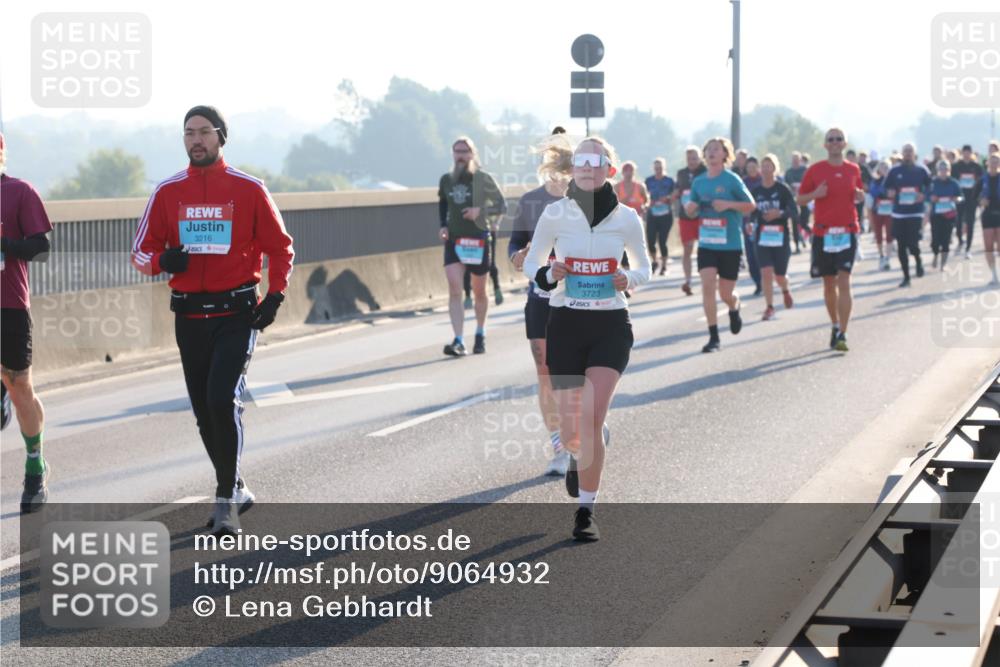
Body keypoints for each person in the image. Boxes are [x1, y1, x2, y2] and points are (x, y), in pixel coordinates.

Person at [131, 106, 295, 536]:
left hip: (237, 314)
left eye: (204, 132)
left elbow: (281, 248)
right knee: (205, 412)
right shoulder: (167, 192)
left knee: (223, 399)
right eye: (189, 133)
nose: (196, 140)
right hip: (189, 316)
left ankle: (225, 500)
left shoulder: (249, 188)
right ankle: (236, 485)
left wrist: (275, 296)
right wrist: (164, 260)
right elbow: (139, 253)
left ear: (222, 137)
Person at [523, 136, 650, 541]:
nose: (587, 167)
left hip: (610, 326)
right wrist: (547, 274)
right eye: (581, 160)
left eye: (596, 161)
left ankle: (585, 512)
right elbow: (531, 261)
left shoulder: (627, 218)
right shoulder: (555, 214)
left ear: (609, 169)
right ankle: (579, 452)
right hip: (565, 323)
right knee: (574, 427)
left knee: (591, 416)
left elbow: (645, 268)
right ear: (573, 168)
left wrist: (627, 278)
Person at [509, 134, 572, 477]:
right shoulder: (531, 202)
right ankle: (560, 447)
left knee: (576, 373)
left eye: (563, 165)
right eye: (551, 164)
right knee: (546, 374)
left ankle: (589, 424)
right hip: (540, 299)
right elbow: (516, 243)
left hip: (579, 298)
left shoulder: (585, 201)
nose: (557, 173)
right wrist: (517, 256)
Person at [0, 131, 53, 513]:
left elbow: (41, 245)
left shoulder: (19, 192)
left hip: (9, 306)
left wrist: (7, 246)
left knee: (20, 386)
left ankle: (35, 464)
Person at [684, 137, 756, 353]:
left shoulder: (732, 180)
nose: (712, 153)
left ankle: (734, 307)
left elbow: (750, 205)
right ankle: (713, 336)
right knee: (707, 286)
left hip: (730, 245)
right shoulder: (699, 182)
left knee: (726, 293)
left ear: (726, 155)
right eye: (709, 150)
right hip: (707, 243)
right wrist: (690, 208)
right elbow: (692, 207)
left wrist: (728, 204)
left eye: (717, 149)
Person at [797, 127, 865, 352]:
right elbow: (800, 199)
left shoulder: (853, 169)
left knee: (844, 280)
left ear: (845, 144)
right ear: (825, 145)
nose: (835, 143)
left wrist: (860, 196)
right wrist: (815, 195)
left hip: (847, 231)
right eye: (831, 140)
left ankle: (843, 333)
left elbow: (859, 193)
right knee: (829, 285)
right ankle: (835, 325)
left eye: (839, 139)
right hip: (823, 234)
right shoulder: (815, 170)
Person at [438, 137, 507, 356]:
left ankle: (480, 333)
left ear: (473, 154)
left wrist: (480, 212)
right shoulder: (446, 180)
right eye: (457, 151)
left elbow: (502, 205)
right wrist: (442, 225)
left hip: (477, 239)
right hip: (454, 240)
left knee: (479, 292)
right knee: (455, 290)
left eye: (465, 152)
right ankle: (458, 340)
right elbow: (443, 203)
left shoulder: (483, 179)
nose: (460, 156)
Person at [752, 154, 797, 320]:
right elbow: (751, 211)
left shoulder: (782, 189)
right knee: (766, 272)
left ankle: (785, 289)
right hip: (762, 237)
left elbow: (794, 211)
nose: (765, 169)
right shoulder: (756, 191)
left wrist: (779, 213)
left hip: (780, 237)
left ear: (775, 169)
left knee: (779, 275)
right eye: (763, 166)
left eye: (769, 165)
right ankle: (769, 306)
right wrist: (750, 222)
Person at [884, 143, 932, 287]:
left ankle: (918, 261)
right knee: (901, 246)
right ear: (902, 154)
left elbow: (931, 186)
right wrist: (889, 192)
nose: (908, 154)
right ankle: (906, 277)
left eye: (910, 151)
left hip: (916, 212)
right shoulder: (894, 171)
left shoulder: (921, 170)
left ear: (914, 154)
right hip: (899, 214)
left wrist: (924, 195)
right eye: (905, 151)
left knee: (913, 244)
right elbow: (886, 187)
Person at [674, 147, 707, 295]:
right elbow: (678, 191)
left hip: (703, 216)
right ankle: (688, 281)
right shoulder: (681, 173)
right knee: (687, 248)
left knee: (704, 249)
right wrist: (672, 196)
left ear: (700, 158)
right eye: (689, 159)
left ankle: (707, 278)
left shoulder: (706, 171)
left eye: (694, 158)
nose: (692, 161)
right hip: (685, 216)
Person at [929, 160, 962, 270]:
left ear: (949, 170)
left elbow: (961, 196)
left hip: (949, 215)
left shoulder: (954, 183)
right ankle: (935, 255)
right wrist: (932, 198)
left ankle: (943, 263)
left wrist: (956, 199)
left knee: (946, 240)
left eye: (946, 169)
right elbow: (926, 196)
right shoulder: (933, 182)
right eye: (941, 169)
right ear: (938, 170)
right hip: (936, 215)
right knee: (935, 240)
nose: (943, 171)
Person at [952, 144, 984, 258]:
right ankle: (960, 239)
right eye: (964, 152)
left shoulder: (976, 167)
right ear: (962, 153)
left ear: (971, 153)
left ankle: (968, 248)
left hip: (972, 198)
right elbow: (953, 181)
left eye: (968, 152)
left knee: (970, 222)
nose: (966, 154)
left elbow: (981, 182)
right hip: (960, 198)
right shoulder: (956, 166)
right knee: (958, 221)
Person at [644, 158, 675, 276]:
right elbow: (643, 195)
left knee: (662, 241)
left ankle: (664, 266)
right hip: (652, 214)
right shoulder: (648, 181)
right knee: (650, 240)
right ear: (653, 168)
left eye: (660, 168)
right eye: (656, 168)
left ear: (664, 168)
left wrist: (667, 198)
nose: (658, 170)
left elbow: (675, 194)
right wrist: (648, 202)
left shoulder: (669, 181)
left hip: (666, 215)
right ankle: (654, 261)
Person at [741, 157, 763, 295]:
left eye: (754, 167)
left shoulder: (764, 181)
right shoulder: (743, 183)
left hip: (764, 223)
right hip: (748, 223)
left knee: (763, 254)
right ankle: (758, 282)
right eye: (749, 168)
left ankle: (766, 279)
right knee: (750, 255)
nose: (752, 170)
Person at [868, 160, 895, 271]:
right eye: (882, 167)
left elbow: (895, 193)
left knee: (890, 234)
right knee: (878, 234)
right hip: (877, 211)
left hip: (890, 211)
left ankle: (887, 258)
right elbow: (873, 192)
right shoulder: (875, 181)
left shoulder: (894, 181)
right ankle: (881, 255)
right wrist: (884, 192)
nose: (884, 169)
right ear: (878, 169)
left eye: (887, 167)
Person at [979, 153, 1000, 285]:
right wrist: (981, 201)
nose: (994, 164)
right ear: (987, 164)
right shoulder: (982, 180)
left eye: (996, 161)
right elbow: (973, 196)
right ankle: (994, 275)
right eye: (991, 162)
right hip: (987, 216)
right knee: (988, 246)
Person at [784, 152, 809, 253]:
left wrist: (801, 186)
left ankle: (810, 234)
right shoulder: (789, 172)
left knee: (803, 223)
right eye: (793, 159)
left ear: (800, 160)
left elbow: (810, 183)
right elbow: (785, 184)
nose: (795, 161)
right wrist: (791, 187)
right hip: (793, 201)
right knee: (795, 222)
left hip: (805, 199)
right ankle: (797, 244)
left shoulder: (805, 170)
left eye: (797, 159)